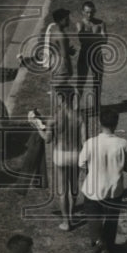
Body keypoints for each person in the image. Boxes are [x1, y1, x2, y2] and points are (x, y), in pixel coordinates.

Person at [78, 106, 127, 253]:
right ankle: (108, 246)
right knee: (111, 219)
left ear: (100, 123)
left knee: (93, 215)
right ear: (115, 124)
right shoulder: (123, 143)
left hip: (93, 187)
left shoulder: (90, 143)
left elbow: (81, 163)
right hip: (114, 189)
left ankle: (98, 241)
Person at [43, 88, 86, 231]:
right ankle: (72, 215)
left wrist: (37, 127)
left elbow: (47, 140)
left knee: (62, 190)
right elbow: (85, 140)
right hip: (76, 154)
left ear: (61, 99)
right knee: (73, 188)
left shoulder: (54, 118)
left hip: (60, 154)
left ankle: (66, 222)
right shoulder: (79, 116)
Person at [75, 1, 107, 118]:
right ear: (83, 12)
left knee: (98, 81)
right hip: (85, 55)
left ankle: (97, 105)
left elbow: (105, 40)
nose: (89, 15)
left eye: (92, 12)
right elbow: (82, 38)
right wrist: (97, 37)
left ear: (95, 11)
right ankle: (76, 106)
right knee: (81, 81)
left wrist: (91, 38)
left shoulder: (100, 23)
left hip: (96, 55)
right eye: (87, 12)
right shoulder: (80, 24)